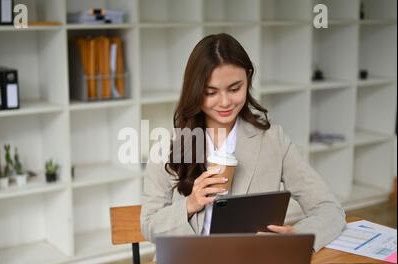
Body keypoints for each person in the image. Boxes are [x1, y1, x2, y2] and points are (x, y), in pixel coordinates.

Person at [140, 33, 345, 252]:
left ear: (248, 78)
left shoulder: (273, 140)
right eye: (211, 92)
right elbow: (149, 225)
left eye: (235, 88)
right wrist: (190, 204)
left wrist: (297, 237)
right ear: (195, 90)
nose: (225, 102)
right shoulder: (168, 146)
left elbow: (329, 209)